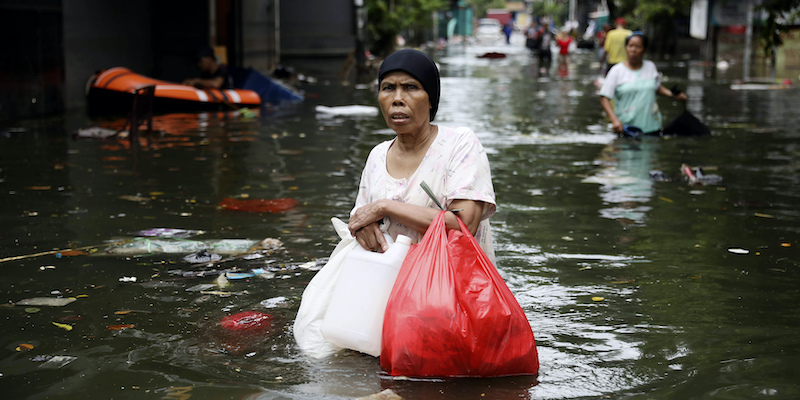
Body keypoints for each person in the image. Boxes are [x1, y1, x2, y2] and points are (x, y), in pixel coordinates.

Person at [347, 49, 497, 262]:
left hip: (450, 286)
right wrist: (362, 228)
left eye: (411, 87)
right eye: (388, 88)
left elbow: (464, 224)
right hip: (392, 285)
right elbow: (360, 218)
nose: (397, 99)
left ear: (430, 100)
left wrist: (385, 206)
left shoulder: (459, 144)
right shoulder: (378, 156)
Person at [599, 31, 688, 136]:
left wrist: (673, 95)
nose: (633, 50)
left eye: (637, 47)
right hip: (627, 129)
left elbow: (655, 87)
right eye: (630, 46)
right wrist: (615, 120)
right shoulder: (617, 71)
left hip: (652, 127)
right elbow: (604, 98)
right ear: (626, 48)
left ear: (644, 50)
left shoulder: (650, 67)